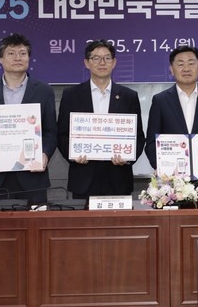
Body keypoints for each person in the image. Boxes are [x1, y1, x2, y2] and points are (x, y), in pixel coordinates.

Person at [0, 33, 57, 205]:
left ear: (29, 58)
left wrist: (44, 153)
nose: (18, 58)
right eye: (11, 53)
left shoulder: (44, 91)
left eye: (23, 53)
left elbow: (51, 131)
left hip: (33, 177)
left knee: (35, 222)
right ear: (0, 59)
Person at [57, 40, 146, 198]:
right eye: (96, 58)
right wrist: (73, 155)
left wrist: (127, 158)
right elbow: (62, 134)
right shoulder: (71, 95)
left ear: (114, 62)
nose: (102, 62)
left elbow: (138, 136)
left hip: (118, 178)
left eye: (107, 58)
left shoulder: (129, 96)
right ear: (87, 63)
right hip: (83, 177)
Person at [145, 45, 198, 197]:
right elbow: (151, 142)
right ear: (171, 69)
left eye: (191, 63)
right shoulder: (160, 101)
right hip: (170, 186)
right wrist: (163, 169)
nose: (186, 68)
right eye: (180, 64)